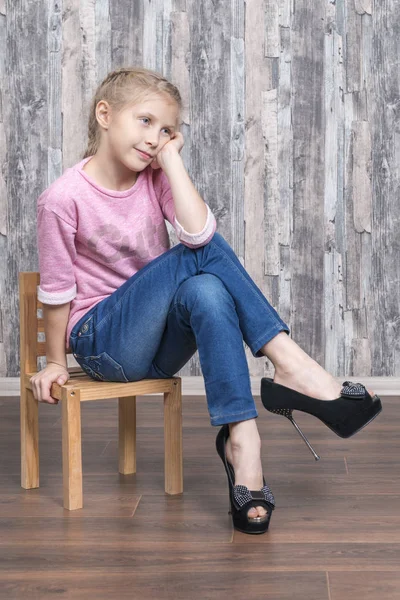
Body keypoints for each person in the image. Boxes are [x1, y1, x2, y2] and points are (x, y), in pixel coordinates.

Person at [30, 66, 380, 535]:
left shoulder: (154, 177)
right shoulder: (62, 197)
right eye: (145, 121)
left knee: (208, 288)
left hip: (155, 349)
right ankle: (291, 367)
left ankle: (242, 439)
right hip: (102, 342)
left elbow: (196, 231)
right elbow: (57, 291)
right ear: (105, 114)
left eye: (167, 130)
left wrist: (172, 162)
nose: (155, 138)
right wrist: (54, 361)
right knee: (199, 257)